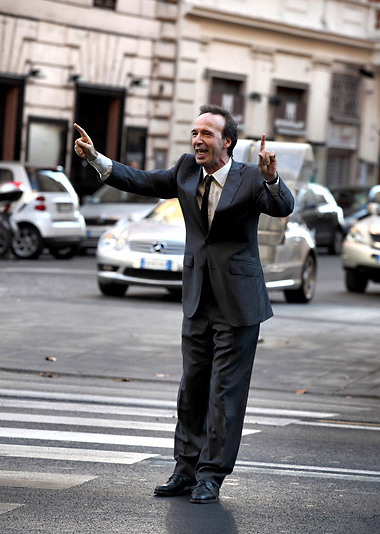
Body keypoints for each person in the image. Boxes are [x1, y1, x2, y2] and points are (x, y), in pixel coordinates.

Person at [74, 104, 294, 504]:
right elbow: (141, 180)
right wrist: (96, 159)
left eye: (207, 134)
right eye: (195, 133)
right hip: (197, 297)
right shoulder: (186, 170)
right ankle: (185, 469)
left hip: (238, 303)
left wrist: (273, 179)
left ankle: (211, 475)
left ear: (227, 141)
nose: (197, 140)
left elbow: (282, 207)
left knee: (224, 392)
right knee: (191, 388)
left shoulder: (248, 178)